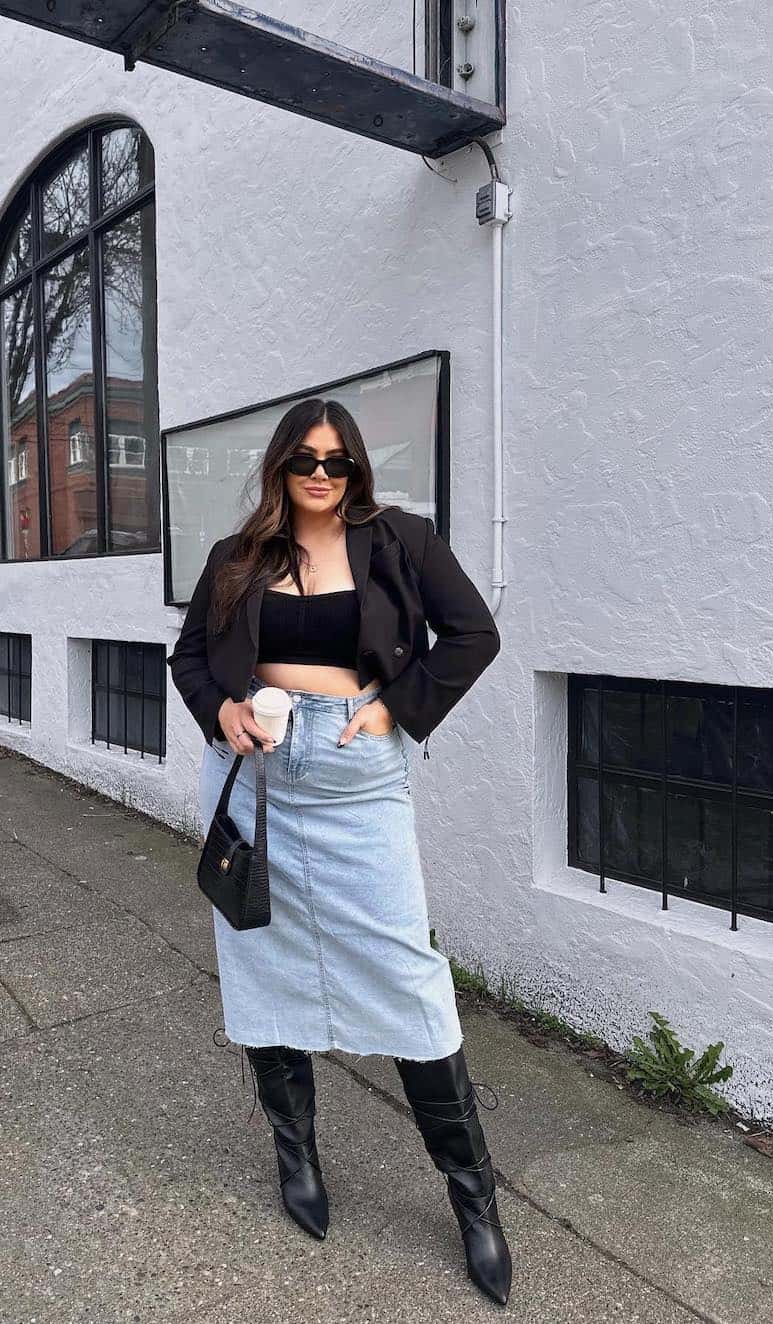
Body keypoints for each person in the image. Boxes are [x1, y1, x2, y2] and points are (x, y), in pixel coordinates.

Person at [169, 397, 511, 1306]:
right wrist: (224, 711)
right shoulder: (236, 558)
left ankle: (474, 1199)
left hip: (358, 777)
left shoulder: (400, 540)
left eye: (338, 461)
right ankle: (298, 1160)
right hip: (256, 778)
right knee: (261, 961)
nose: (322, 475)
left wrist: (398, 705)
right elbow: (190, 659)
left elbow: (475, 634)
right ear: (280, 466)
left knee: (408, 976)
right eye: (305, 461)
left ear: (356, 468)